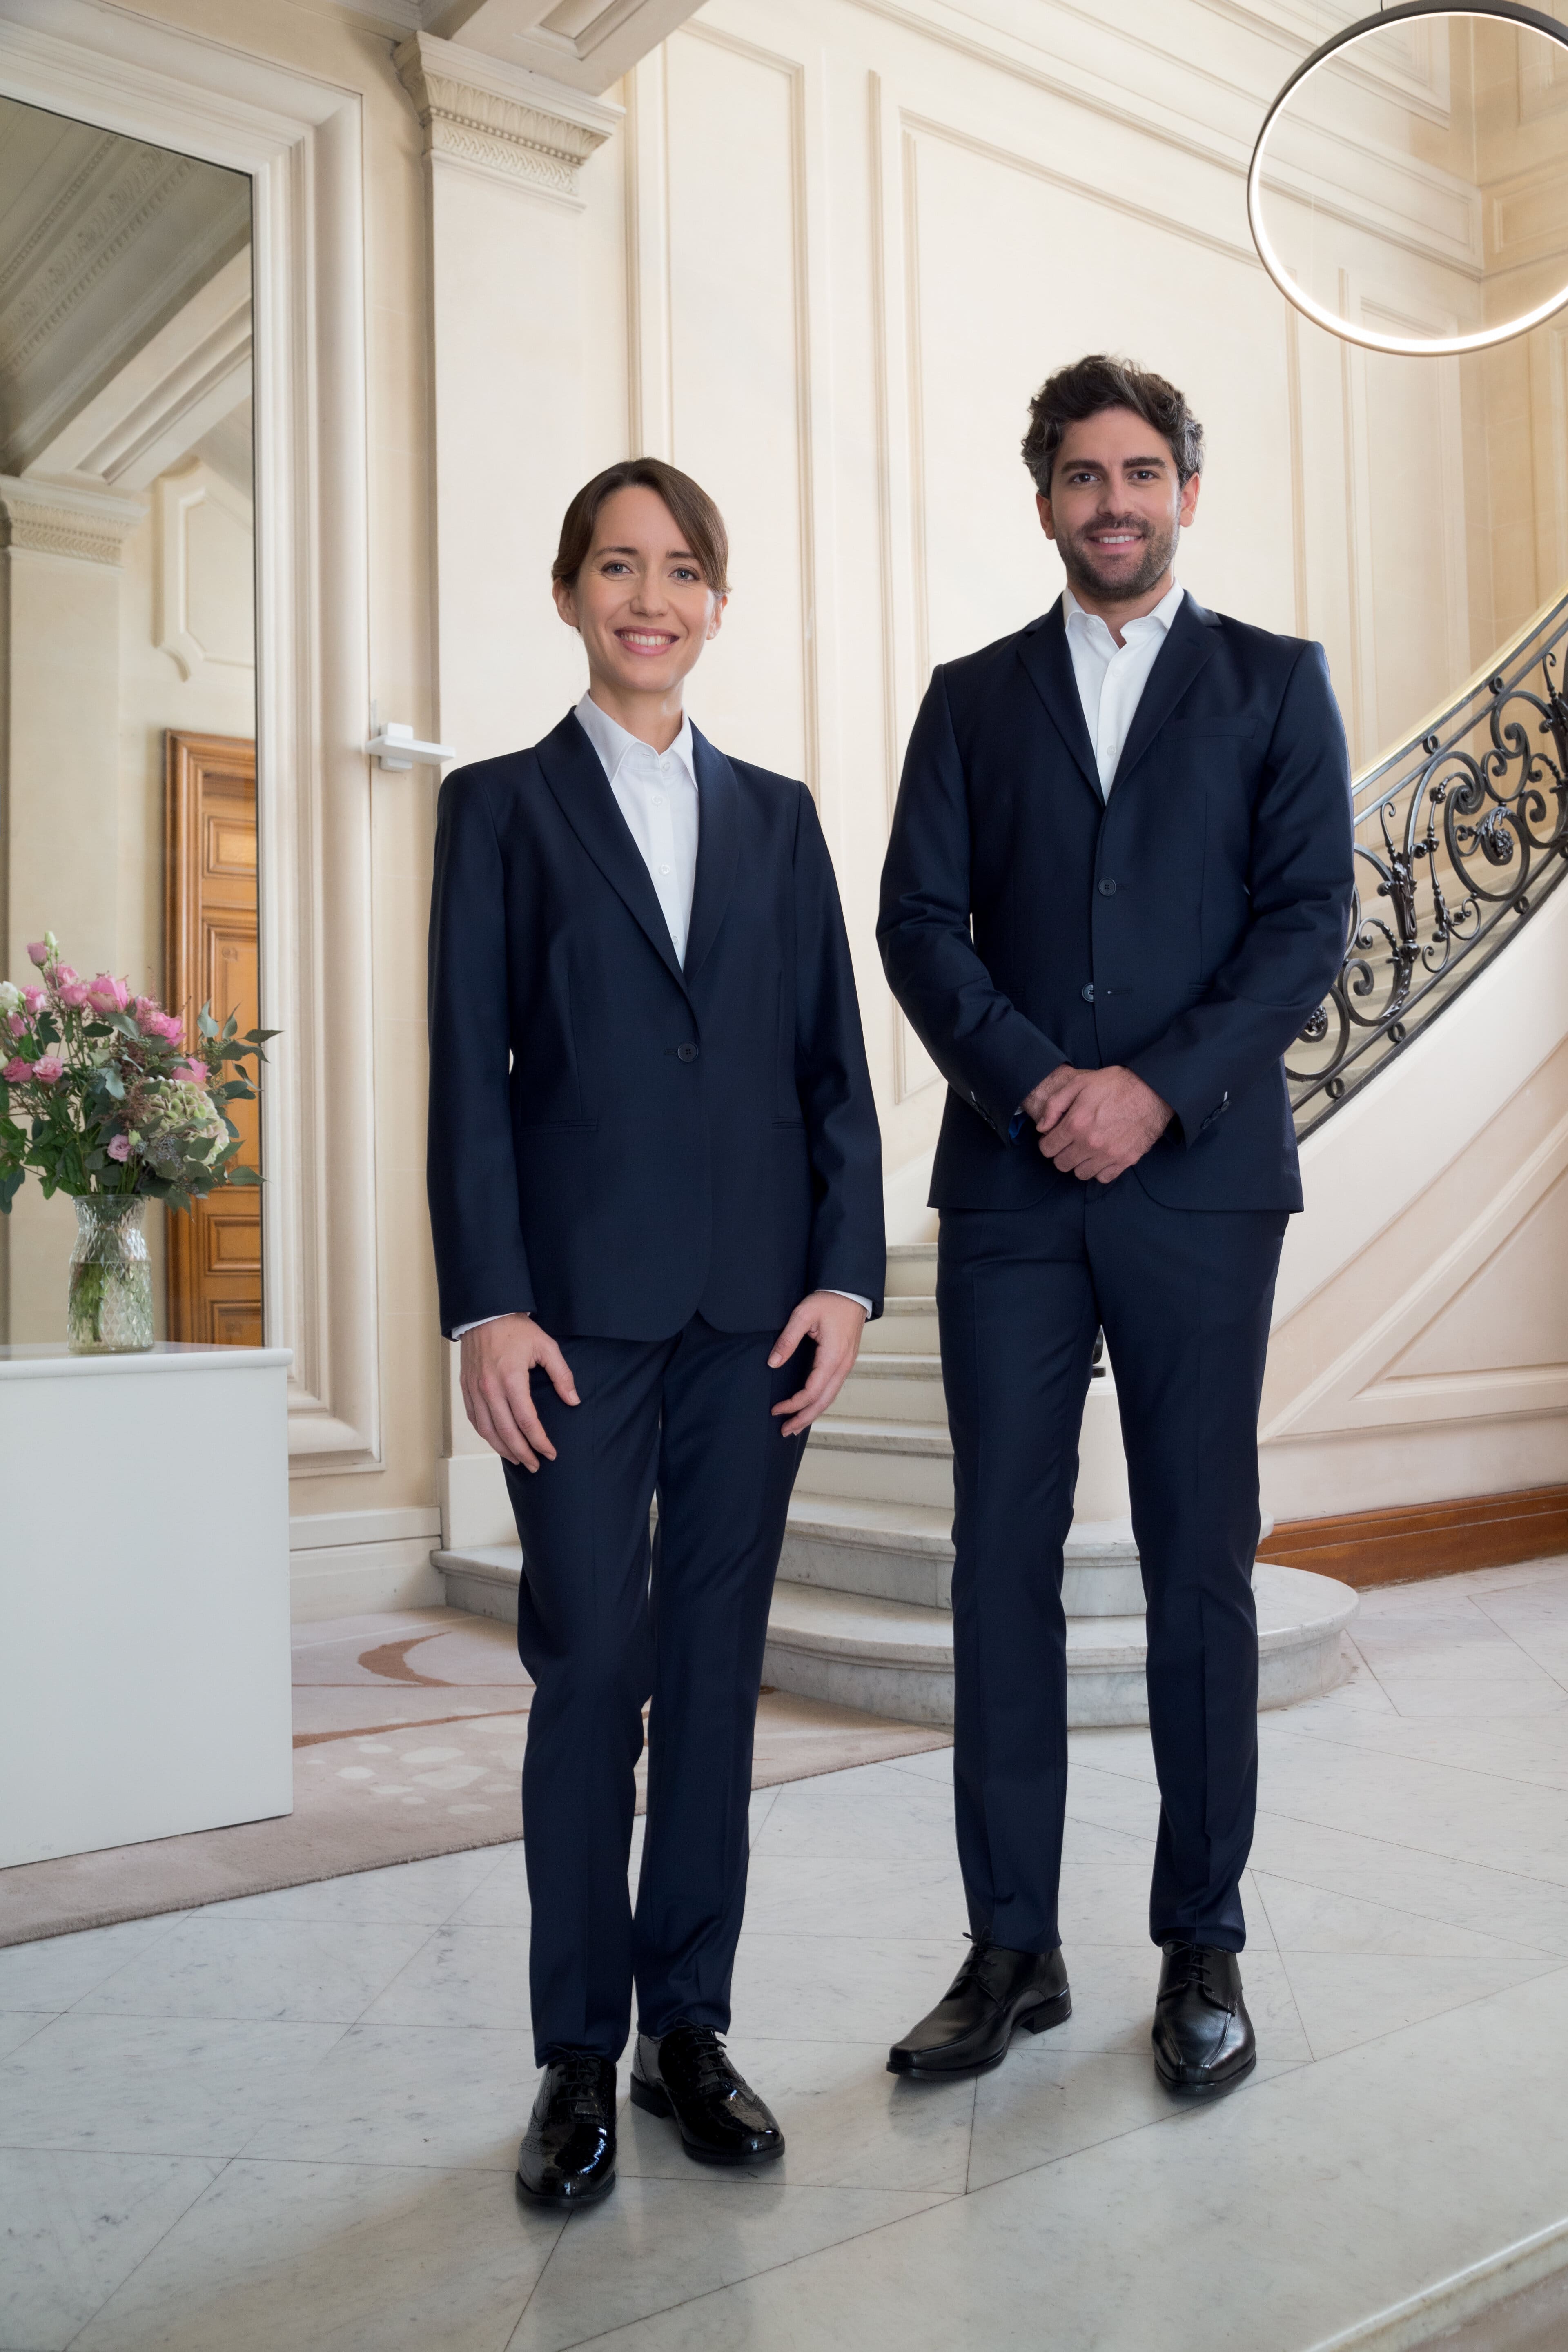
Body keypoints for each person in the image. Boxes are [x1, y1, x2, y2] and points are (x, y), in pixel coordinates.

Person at [878, 354, 1353, 2099]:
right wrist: (1033, 1087)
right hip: (1010, 1191)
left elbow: (1305, 929)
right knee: (995, 1564)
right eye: (1084, 474)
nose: (1116, 501)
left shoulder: (1274, 686)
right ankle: (1015, 1947)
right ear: (1045, 500)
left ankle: (1202, 1939)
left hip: (1203, 1183)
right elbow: (921, 922)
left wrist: (1150, 1091)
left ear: (1188, 491)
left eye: (1143, 471)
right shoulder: (972, 698)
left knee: (1195, 1565)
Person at [427, 458, 884, 2205]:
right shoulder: (499, 812)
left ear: (714, 603)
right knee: (591, 1672)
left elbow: (831, 1073)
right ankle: (573, 2056)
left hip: (755, 1321)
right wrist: (488, 1301)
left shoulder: (780, 818)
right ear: (567, 596)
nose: (650, 596)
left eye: (681, 569)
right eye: (617, 567)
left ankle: (689, 2025)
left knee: (708, 1677)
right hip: (576, 1325)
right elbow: (474, 1079)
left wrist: (843, 1282)